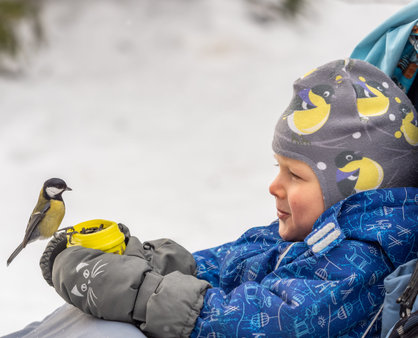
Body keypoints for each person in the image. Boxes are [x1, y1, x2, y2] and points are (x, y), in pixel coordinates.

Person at [35, 58, 417, 338]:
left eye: (295, 174)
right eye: (277, 167)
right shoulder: (307, 233)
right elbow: (226, 264)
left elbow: (261, 324)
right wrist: (140, 259)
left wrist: (139, 292)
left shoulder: (364, 257)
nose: (274, 186)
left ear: (352, 187)